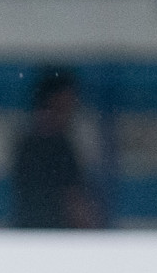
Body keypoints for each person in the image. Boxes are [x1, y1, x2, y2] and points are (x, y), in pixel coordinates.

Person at [10, 67, 103, 229]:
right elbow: (73, 201)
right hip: (53, 237)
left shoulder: (27, 140)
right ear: (53, 100)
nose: (72, 110)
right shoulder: (54, 143)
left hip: (35, 234)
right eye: (68, 103)